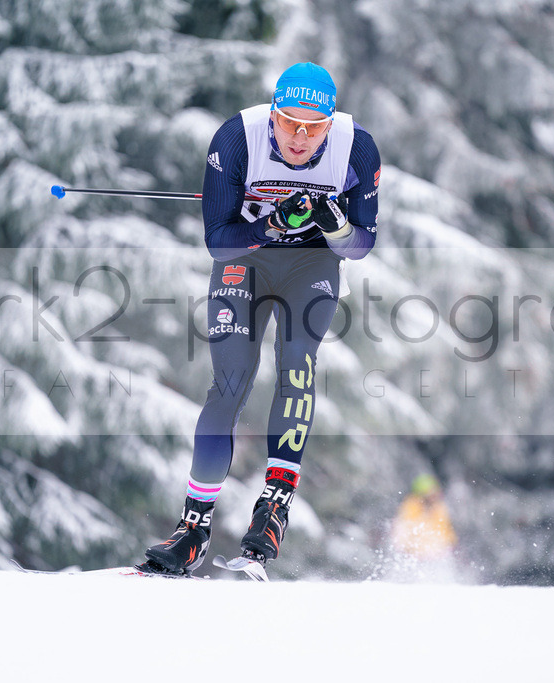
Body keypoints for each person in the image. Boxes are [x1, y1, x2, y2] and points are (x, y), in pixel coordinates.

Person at [139, 63, 381, 576]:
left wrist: (336, 226)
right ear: (273, 115)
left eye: (313, 127)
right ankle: (192, 529)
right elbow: (217, 241)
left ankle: (273, 510)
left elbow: (360, 245)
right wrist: (273, 222)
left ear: (330, 124)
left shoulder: (356, 148)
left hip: (311, 265)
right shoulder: (236, 138)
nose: (299, 137)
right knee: (228, 385)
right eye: (289, 122)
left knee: (297, 364)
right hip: (245, 261)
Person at [389, 474, 458, 569]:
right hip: (414, 556)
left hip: (435, 555)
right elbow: (403, 530)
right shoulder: (411, 507)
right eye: (431, 494)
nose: (435, 497)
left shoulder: (439, 508)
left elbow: (446, 530)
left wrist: (450, 544)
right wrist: (406, 549)